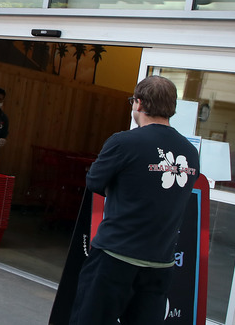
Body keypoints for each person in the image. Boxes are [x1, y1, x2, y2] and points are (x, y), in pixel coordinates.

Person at [69, 76, 200, 325]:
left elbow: (94, 182)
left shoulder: (124, 142)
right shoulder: (190, 152)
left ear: (138, 103)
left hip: (115, 257)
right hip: (160, 263)